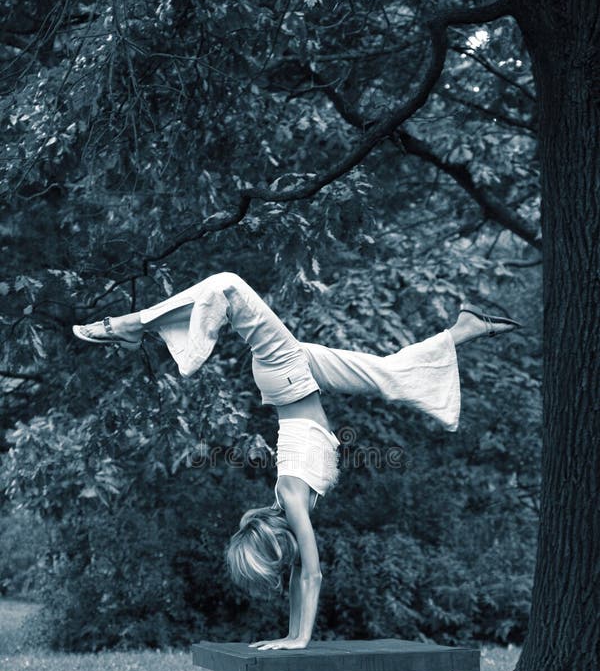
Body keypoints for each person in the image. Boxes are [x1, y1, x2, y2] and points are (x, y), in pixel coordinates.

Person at [73, 272, 522, 650]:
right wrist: (298, 638)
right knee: (236, 290)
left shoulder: (295, 502)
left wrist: (295, 634)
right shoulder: (291, 500)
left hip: (294, 376)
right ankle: (464, 329)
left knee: (238, 291)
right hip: (292, 375)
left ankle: (134, 326)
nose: (290, 559)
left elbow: (304, 572)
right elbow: (311, 573)